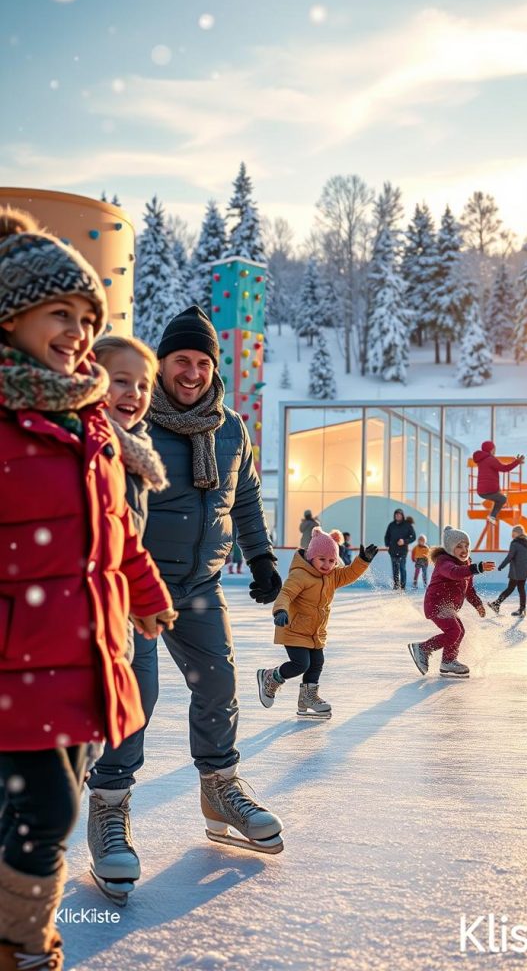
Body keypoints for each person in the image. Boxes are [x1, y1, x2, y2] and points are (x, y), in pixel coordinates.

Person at [0, 209, 174, 968]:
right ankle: (24, 945)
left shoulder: (90, 423)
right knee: (47, 810)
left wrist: (147, 592)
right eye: (57, 313)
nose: (76, 331)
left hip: (86, 656)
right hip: (16, 662)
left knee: (41, 812)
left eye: (85, 316)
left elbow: (116, 533)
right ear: (12, 317)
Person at [139, 305, 284, 856]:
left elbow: (244, 499)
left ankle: (220, 791)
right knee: (136, 694)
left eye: (202, 362)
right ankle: (110, 805)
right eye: (182, 360)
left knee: (219, 685)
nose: (193, 372)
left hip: (201, 584)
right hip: (137, 587)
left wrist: (263, 557)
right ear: (161, 363)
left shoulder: (231, 428)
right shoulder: (135, 422)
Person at [86, 335, 170, 904]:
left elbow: (125, 537)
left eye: (143, 384)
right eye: (120, 380)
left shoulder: (132, 451)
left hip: (120, 611)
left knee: (139, 698)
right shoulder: (81, 441)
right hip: (67, 611)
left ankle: (109, 807)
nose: (134, 393)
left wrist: (146, 597)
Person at [256, 528, 378, 717]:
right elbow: (286, 594)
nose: (327, 565)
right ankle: (271, 677)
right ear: (311, 556)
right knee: (300, 664)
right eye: (322, 559)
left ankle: (308, 698)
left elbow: (349, 574)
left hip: (315, 632)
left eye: (332, 561)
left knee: (317, 662)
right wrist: (280, 610)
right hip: (293, 628)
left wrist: (363, 561)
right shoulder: (300, 575)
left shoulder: (332, 576)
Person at [407, 526, 495, 679]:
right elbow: (454, 573)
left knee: (459, 631)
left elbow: (469, 589)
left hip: (448, 607)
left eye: (466, 545)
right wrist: (477, 568)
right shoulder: (444, 562)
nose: (464, 549)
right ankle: (423, 648)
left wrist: (477, 604)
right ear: (449, 548)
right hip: (436, 605)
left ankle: (448, 661)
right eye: (459, 546)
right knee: (454, 631)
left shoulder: (467, 563)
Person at [472, 440, 525, 524]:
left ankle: (492, 516)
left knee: (499, 497)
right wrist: (517, 462)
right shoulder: (490, 460)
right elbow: (504, 469)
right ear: (490, 450)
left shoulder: (481, 460)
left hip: (481, 491)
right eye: (494, 449)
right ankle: (492, 516)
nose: (494, 451)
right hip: (489, 490)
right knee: (503, 499)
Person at [488, 524, 527, 618]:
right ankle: (522, 608)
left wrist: (501, 566)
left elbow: (510, 556)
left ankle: (496, 604)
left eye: (514, 532)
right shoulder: (525, 543)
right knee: (520, 588)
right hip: (525, 569)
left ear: (517, 533)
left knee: (511, 588)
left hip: (517, 571)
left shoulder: (515, 543)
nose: (512, 534)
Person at [384, 508, 416, 589]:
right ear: (394, 515)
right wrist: (387, 544)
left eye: (399, 514)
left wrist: (404, 541)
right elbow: (387, 536)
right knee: (395, 569)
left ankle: (402, 586)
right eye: (396, 514)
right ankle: (396, 585)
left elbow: (413, 537)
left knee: (402, 568)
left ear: (402, 515)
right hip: (393, 551)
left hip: (403, 551)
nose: (397, 516)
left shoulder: (407, 525)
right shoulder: (391, 525)